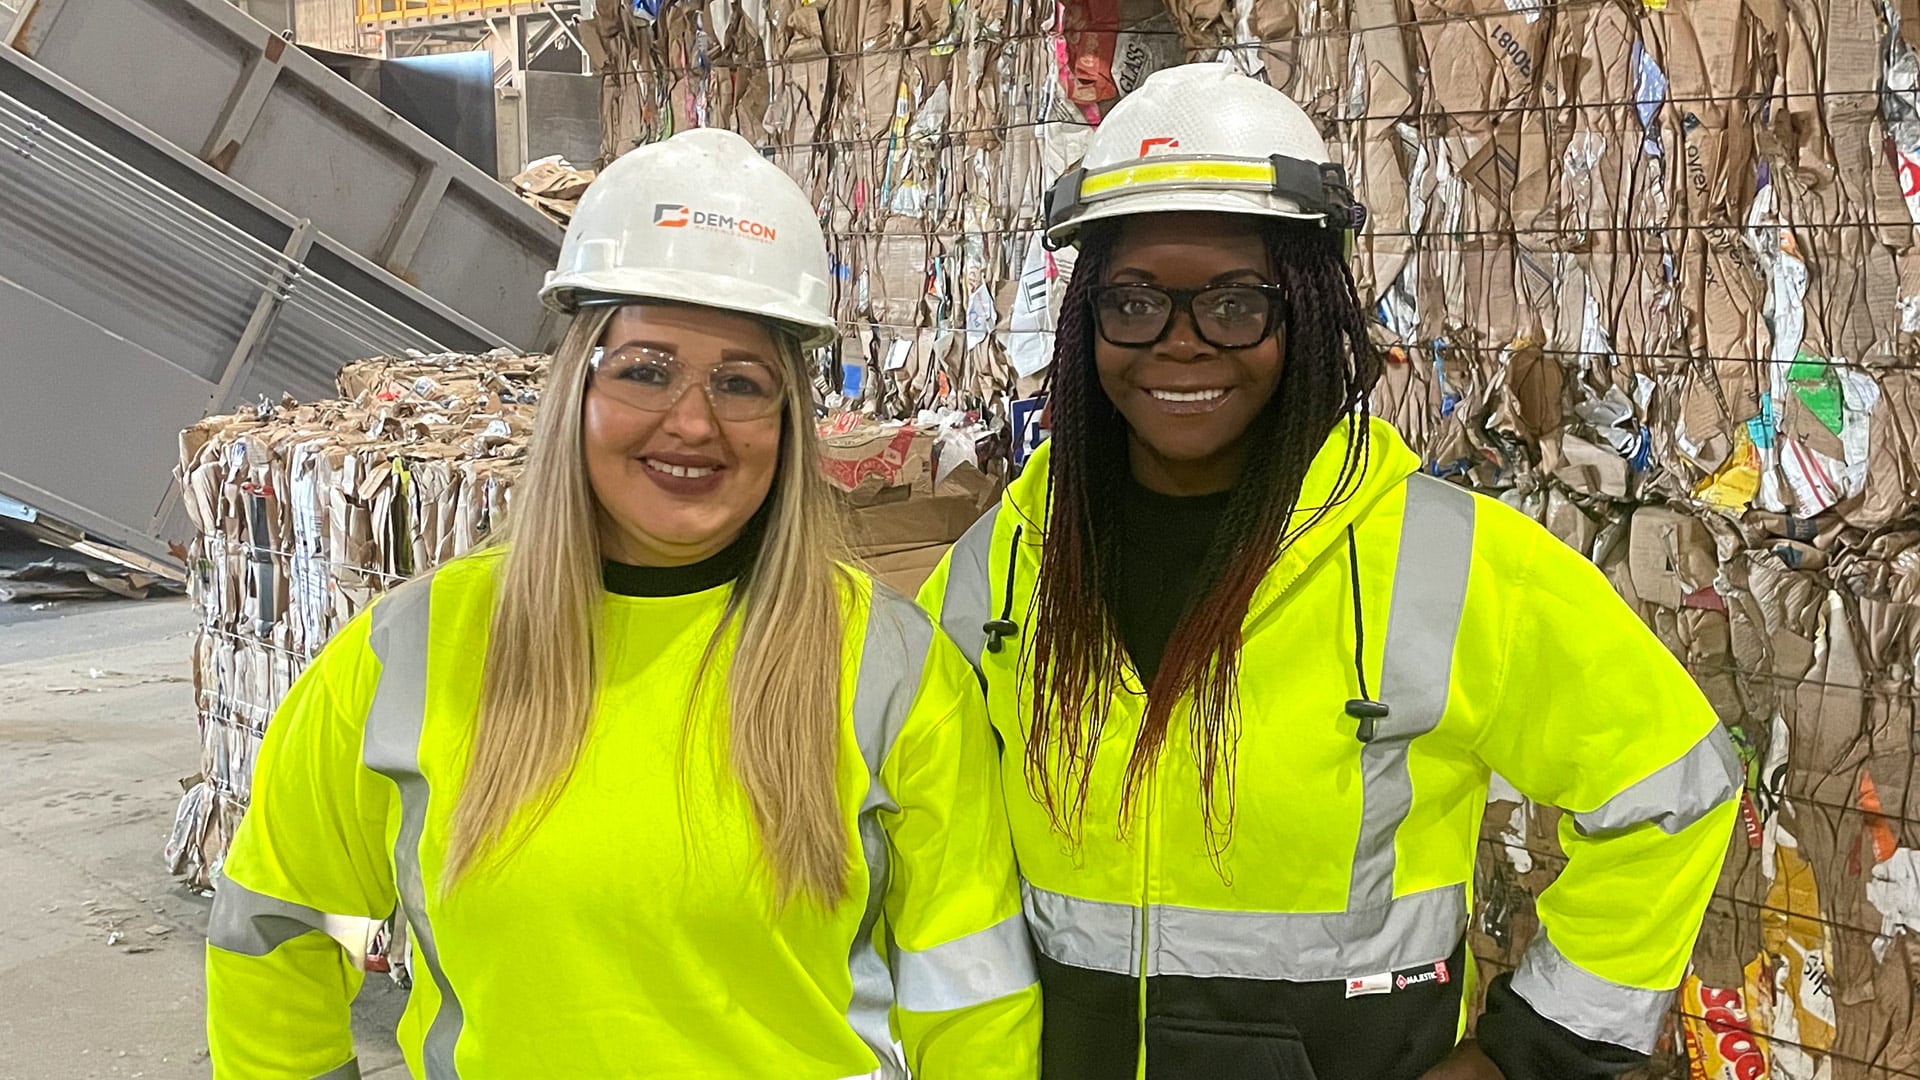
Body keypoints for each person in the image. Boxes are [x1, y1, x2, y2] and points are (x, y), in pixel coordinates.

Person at [919, 63, 1739, 1080]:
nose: (1179, 346)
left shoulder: (1450, 561)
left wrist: (1534, 1054)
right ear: (1086, 319)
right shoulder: (1004, 568)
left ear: (1305, 309)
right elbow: (917, 838)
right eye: (1132, 303)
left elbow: (1673, 788)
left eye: (1234, 304)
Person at [206, 127, 1042, 1079]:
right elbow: (279, 934)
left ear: (789, 421)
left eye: (741, 383)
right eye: (646, 368)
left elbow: (975, 1009)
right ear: (578, 389)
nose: (692, 421)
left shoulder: (891, 671)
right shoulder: (410, 653)